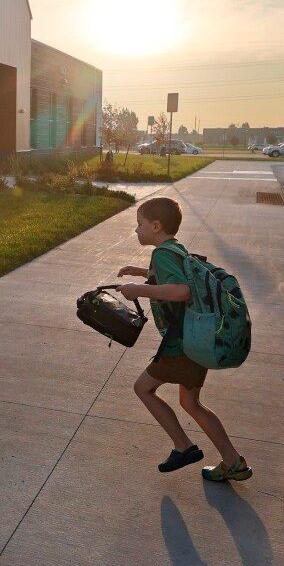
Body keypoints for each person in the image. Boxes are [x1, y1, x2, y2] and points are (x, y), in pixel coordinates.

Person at [117, 196, 249, 483]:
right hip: (195, 340)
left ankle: (183, 446)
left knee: (143, 388)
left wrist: (138, 289)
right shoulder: (174, 248)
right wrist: (141, 272)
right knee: (191, 403)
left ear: (156, 225)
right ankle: (233, 461)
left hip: (181, 345)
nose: (136, 230)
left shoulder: (162, 254)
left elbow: (181, 290)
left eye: (139, 224)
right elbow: (174, 277)